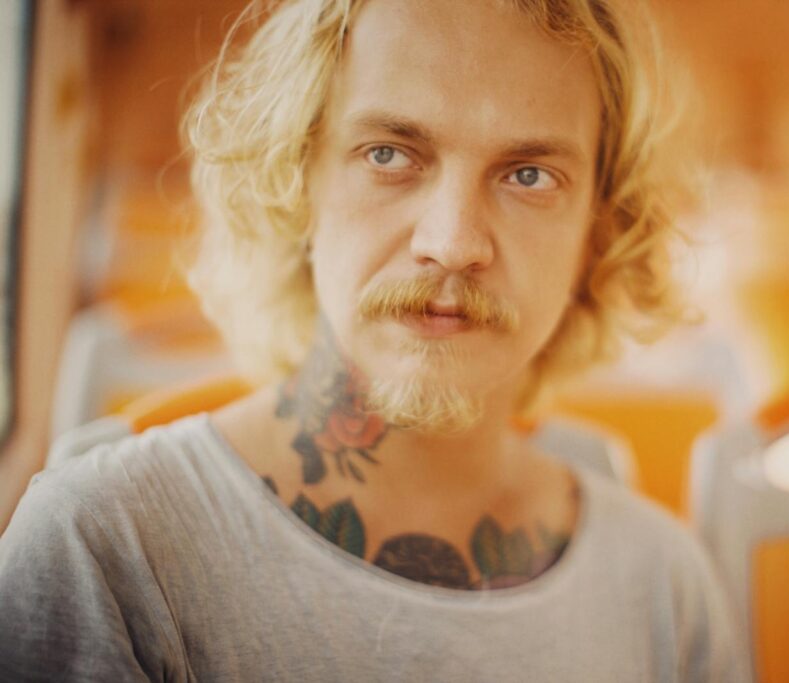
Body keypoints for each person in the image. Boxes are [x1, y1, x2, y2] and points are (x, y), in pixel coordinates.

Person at [0, 0, 747, 680]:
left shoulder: (665, 587)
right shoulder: (103, 552)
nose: (453, 242)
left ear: (598, 231)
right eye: (390, 153)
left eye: (527, 174)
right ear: (297, 177)